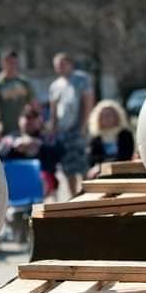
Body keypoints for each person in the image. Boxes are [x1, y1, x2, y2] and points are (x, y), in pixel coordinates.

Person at [49, 52, 94, 196]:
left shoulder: (81, 79)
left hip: (78, 129)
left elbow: (88, 102)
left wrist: (83, 125)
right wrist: (54, 129)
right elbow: (53, 109)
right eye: (57, 65)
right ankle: (73, 197)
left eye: (63, 64)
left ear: (70, 64)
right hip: (63, 132)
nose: (60, 67)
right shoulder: (55, 85)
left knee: (83, 165)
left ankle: (89, 195)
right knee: (68, 168)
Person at [0, 105, 62, 196]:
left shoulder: (46, 138)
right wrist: (14, 148)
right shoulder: (10, 139)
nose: (29, 120)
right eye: (26, 116)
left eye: (33, 117)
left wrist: (38, 146)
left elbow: (59, 154)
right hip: (17, 182)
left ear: (39, 120)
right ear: (20, 120)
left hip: (43, 181)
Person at [0, 50, 36, 140]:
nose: (12, 65)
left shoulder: (24, 83)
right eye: (9, 62)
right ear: (2, 63)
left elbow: (33, 105)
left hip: (26, 133)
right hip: (5, 133)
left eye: (14, 62)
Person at [86, 100, 135, 179]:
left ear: (117, 116)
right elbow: (93, 159)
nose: (107, 118)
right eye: (104, 115)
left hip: (122, 170)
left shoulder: (125, 134)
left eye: (109, 115)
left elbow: (125, 157)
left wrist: (103, 167)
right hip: (101, 173)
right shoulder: (95, 138)